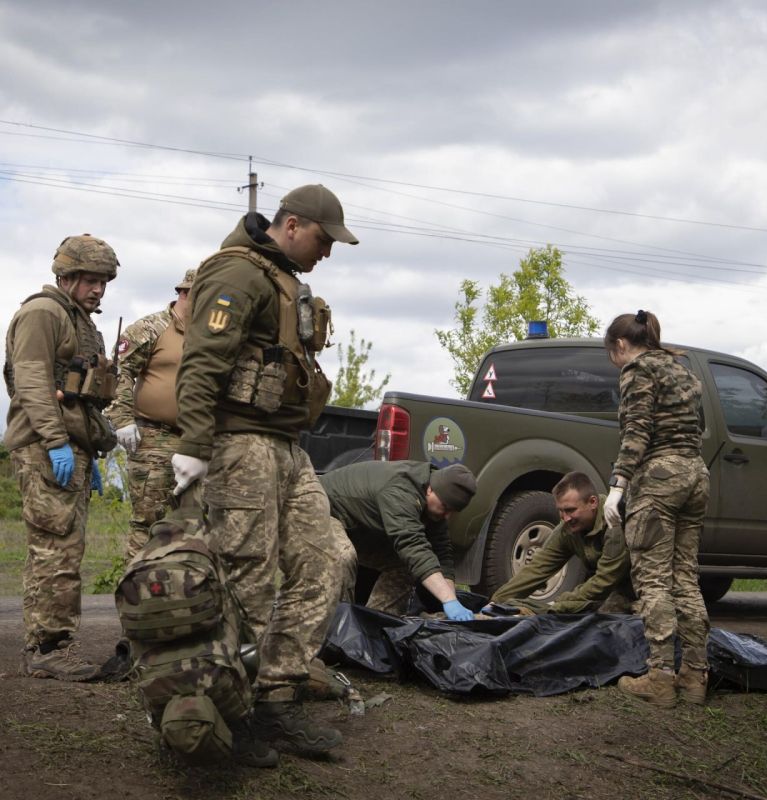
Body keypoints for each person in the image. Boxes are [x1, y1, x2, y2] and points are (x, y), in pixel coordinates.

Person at [170, 184, 358, 756]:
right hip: (240, 442)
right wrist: (195, 445)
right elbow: (202, 361)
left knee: (327, 558)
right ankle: (233, 711)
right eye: (324, 239)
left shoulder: (284, 282)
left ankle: (278, 695)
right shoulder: (238, 274)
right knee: (247, 578)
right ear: (293, 224)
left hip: (285, 444)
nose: (328, 252)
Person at [4, 234, 120, 681]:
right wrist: (54, 442)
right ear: (66, 276)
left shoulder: (79, 320)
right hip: (45, 445)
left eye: (103, 282)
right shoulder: (43, 313)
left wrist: (90, 446)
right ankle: (50, 647)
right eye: (90, 280)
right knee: (55, 550)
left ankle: (48, 643)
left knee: (63, 547)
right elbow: (32, 381)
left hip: (72, 446)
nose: (98, 290)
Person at [603, 310, 710, 707]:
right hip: (695, 474)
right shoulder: (684, 370)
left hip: (660, 479)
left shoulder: (637, 371)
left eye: (611, 353)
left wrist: (618, 487)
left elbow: (637, 430)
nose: (613, 361)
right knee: (685, 576)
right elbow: (695, 428)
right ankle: (695, 677)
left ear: (620, 344)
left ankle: (660, 678)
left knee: (653, 580)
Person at [105, 269, 196, 561]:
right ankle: (137, 598)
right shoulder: (151, 327)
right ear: (184, 293)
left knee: (192, 523)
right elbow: (119, 371)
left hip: (196, 441)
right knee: (149, 521)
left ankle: (177, 597)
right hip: (154, 438)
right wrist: (122, 419)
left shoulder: (212, 335)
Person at [320, 460, 478, 620]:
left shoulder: (435, 502)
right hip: (322, 510)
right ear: (430, 489)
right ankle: (333, 626)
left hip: (357, 525)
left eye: (452, 511)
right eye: (445, 507)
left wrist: (451, 600)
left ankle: (376, 625)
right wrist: (448, 600)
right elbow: (412, 546)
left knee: (405, 566)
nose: (447, 515)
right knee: (342, 555)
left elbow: (442, 553)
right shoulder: (400, 491)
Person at [484, 471, 634, 615]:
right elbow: (538, 568)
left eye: (570, 510)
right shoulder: (567, 528)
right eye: (561, 511)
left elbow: (605, 580)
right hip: (609, 585)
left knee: (602, 622)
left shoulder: (614, 523)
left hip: (640, 585)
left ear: (592, 502)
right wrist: (497, 601)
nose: (565, 518)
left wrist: (558, 604)